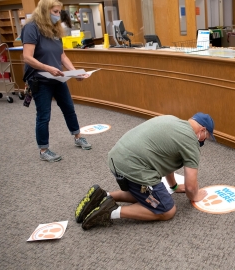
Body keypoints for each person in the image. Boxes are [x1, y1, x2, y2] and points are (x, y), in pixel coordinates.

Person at [74, 112, 216, 230]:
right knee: (167, 210)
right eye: (207, 137)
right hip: (133, 167)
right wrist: (195, 196)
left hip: (116, 159)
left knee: (149, 196)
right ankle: (110, 212)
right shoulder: (191, 141)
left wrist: (174, 186)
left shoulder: (172, 120)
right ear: (202, 130)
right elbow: (191, 187)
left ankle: (103, 195)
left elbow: (166, 160)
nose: (204, 141)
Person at [21, 0, 91, 162]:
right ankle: (43, 150)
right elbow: (27, 57)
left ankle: (77, 137)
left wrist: (74, 73)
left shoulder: (54, 30)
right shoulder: (31, 29)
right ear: (44, 12)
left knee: (69, 108)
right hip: (40, 79)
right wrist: (48, 68)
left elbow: (62, 56)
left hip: (57, 77)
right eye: (55, 12)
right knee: (44, 115)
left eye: (59, 12)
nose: (58, 16)